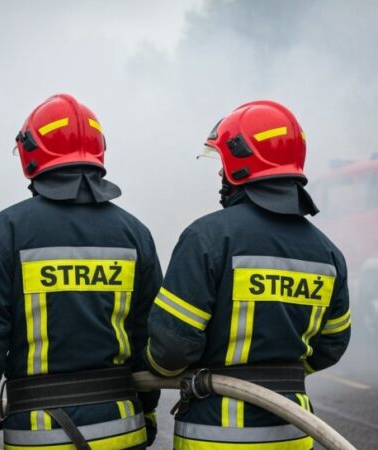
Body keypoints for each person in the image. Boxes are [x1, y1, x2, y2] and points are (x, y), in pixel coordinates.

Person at [0, 94, 162, 450]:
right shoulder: (134, 234)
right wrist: (148, 410)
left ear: (32, 154)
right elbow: (148, 336)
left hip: (40, 435)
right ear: (98, 151)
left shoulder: (7, 231)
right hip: (124, 429)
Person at [146, 100, 351, 449]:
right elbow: (332, 345)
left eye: (222, 164)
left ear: (239, 165)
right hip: (293, 433)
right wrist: (277, 379)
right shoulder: (328, 252)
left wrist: (161, 372)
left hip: (215, 436)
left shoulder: (207, 238)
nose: (220, 175)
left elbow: (172, 347)